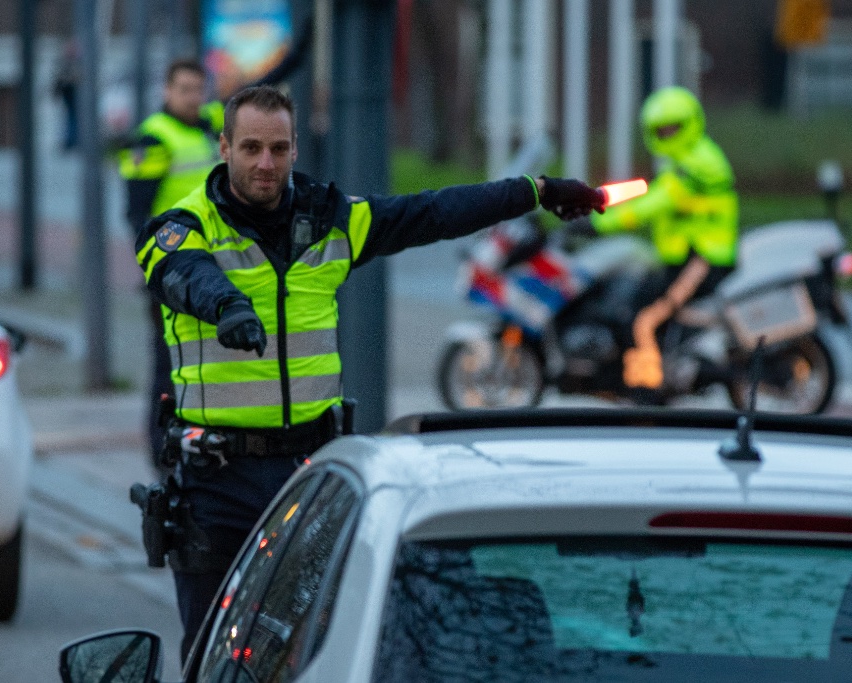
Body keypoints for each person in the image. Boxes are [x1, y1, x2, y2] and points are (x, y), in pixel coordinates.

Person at [135, 84, 604, 660]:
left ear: (295, 150)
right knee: (211, 651)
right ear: (224, 146)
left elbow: (435, 212)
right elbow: (182, 273)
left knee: (308, 646)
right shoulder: (181, 226)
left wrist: (536, 191)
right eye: (251, 147)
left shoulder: (331, 222)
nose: (266, 163)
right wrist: (226, 305)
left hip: (306, 474)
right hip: (217, 481)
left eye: (279, 149)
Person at [590, 86, 738, 397]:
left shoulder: (696, 163)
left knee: (642, 318)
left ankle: (647, 390)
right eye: (660, 130)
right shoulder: (689, 158)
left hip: (701, 261)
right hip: (689, 259)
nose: (665, 135)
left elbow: (659, 200)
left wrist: (598, 221)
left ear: (691, 124)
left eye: (672, 128)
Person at [119, 59, 225, 471]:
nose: (192, 98)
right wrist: (159, 271)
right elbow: (136, 215)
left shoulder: (207, 123)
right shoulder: (151, 138)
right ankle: (161, 453)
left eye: (198, 90)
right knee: (168, 368)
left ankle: (197, 448)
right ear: (166, 91)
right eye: (183, 89)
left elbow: (258, 88)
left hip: (215, 270)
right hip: (171, 275)